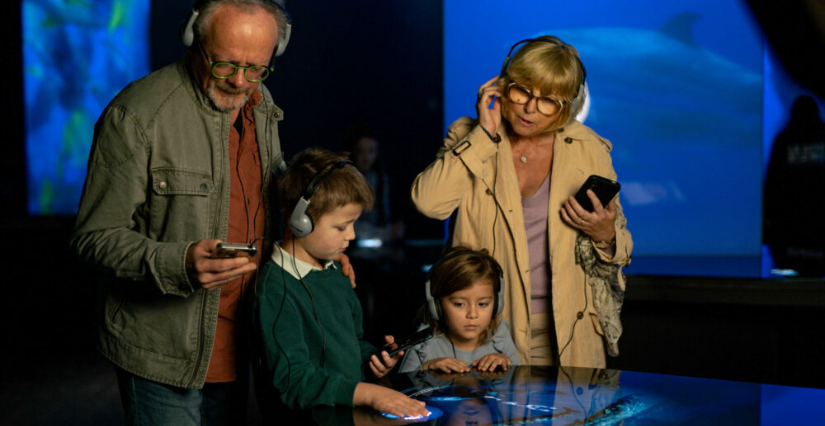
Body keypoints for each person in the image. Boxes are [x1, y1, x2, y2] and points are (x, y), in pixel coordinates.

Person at [70, 1, 315, 423]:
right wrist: (178, 263)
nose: (240, 82)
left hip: (243, 346)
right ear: (193, 39)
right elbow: (93, 237)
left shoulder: (261, 102)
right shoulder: (136, 115)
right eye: (224, 64)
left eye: (256, 68)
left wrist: (320, 252)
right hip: (162, 357)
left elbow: (267, 205)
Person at [411, 36, 633, 369]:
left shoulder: (589, 149)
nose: (530, 108)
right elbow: (429, 204)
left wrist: (605, 233)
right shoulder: (467, 135)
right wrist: (483, 136)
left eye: (548, 101)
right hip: (484, 334)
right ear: (502, 85)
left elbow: (622, 247)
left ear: (567, 107)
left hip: (569, 333)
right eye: (522, 91)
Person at [254, 147, 430, 420]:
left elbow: (351, 343)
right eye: (341, 226)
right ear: (300, 221)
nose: (351, 235)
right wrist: (370, 393)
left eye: (353, 223)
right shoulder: (275, 289)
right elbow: (293, 380)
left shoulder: (337, 271)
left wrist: (374, 360)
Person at [399, 247, 520, 373]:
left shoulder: (500, 335)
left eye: (483, 304)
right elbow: (402, 388)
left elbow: (519, 385)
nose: (473, 315)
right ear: (437, 305)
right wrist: (426, 368)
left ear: (497, 304)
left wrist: (506, 363)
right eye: (459, 304)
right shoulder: (423, 343)